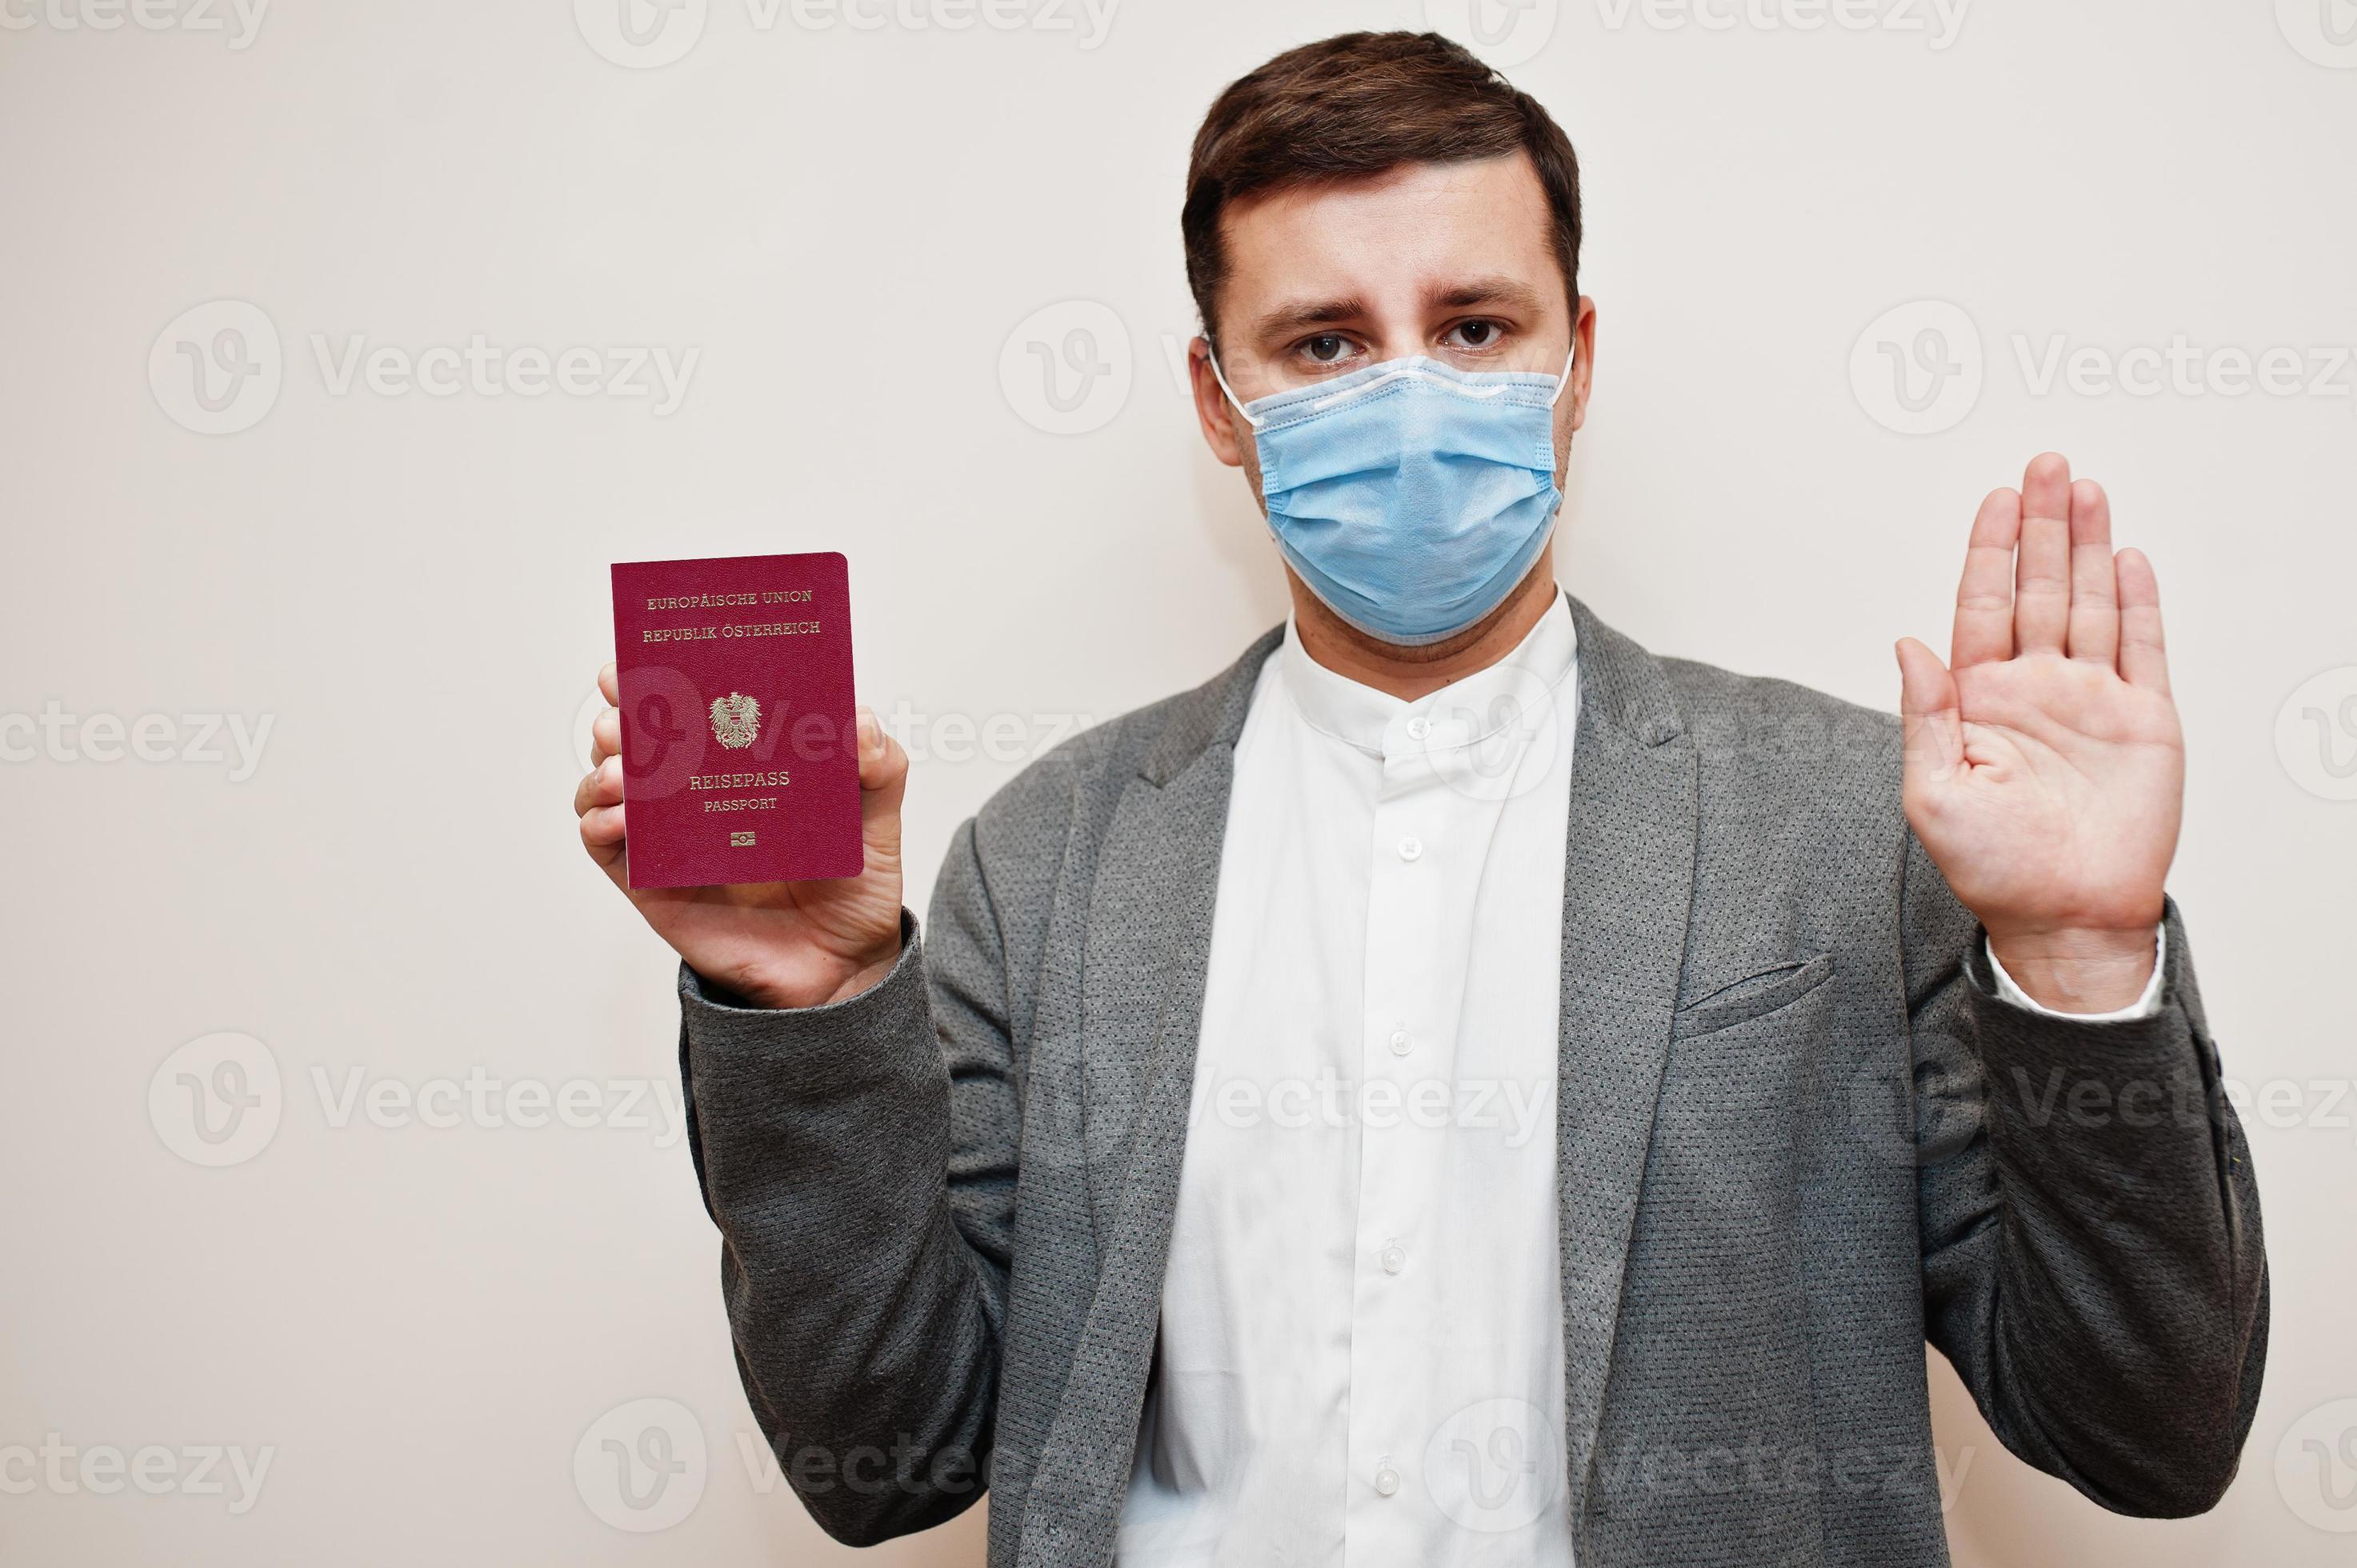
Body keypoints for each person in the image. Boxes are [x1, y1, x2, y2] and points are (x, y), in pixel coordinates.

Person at [571, 30, 2266, 1568]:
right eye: (1323, 341)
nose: (1406, 393)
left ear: (1577, 356)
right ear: (1216, 406)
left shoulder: (1845, 822)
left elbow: (2149, 1432)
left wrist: (2080, 961)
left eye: (1473, 327)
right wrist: (804, 1006)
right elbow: (889, 1458)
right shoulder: (1049, 858)